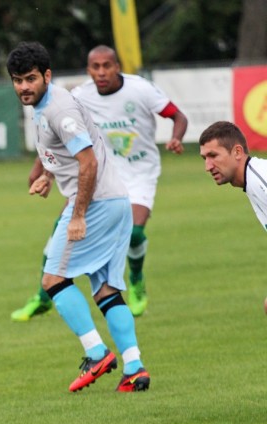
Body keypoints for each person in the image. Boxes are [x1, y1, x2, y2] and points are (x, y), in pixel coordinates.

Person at [6, 41, 150, 392]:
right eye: (17, 80)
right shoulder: (48, 104)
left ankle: (97, 353)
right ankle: (134, 368)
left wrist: (78, 216)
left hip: (96, 204)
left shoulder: (59, 110)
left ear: (47, 76)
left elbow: (88, 161)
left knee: (52, 280)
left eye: (30, 79)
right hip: (116, 201)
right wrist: (48, 175)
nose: (24, 86)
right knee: (107, 291)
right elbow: (72, 155)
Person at [11, 45, 188, 321]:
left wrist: (176, 138)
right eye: (96, 67)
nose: (102, 72)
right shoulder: (79, 96)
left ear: (118, 66)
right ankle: (42, 296)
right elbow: (57, 136)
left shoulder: (140, 89)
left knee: (135, 234)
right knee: (58, 235)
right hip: (100, 173)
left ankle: (137, 281)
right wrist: (44, 170)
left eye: (108, 65)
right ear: (88, 70)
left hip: (139, 172)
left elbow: (178, 115)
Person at [199, 121, 267, 311]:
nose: (208, 166)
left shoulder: (261, 179)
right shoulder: (252, 181)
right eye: (204, 158)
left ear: (237, 152)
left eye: (213, 156)